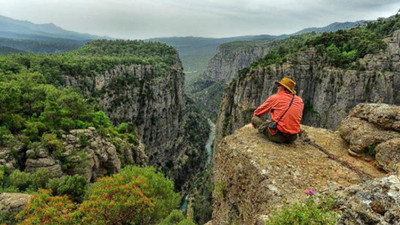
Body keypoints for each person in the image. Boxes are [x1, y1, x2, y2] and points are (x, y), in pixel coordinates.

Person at [251, 77, 304, 143]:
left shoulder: (275, 98)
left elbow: (258, 112)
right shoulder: (299, 100)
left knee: (255, 118)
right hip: (292, 138)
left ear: (283, 88)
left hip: (277, 136)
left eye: (279, 86)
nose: (278, 87)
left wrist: (254, 122)